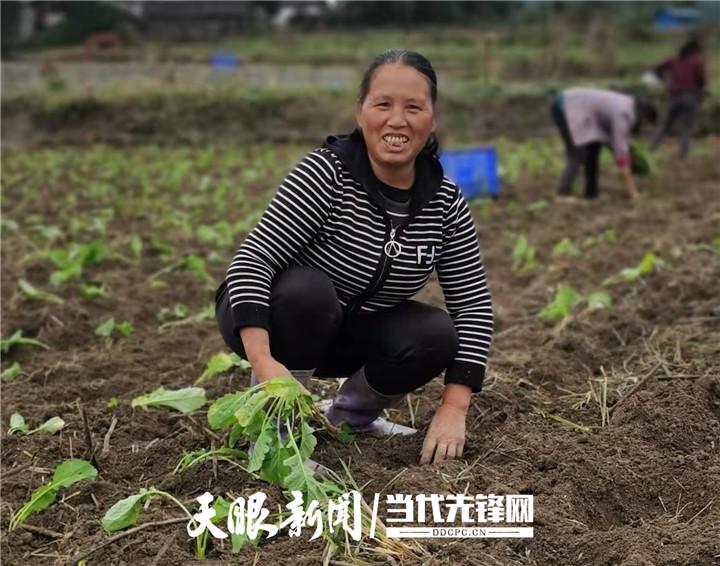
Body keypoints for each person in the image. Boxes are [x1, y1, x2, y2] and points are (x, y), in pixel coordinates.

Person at [215, 49, 493, 465]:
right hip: (275, 320)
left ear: (431, 120)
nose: (397, 120)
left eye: (413, 107)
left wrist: (454, 408)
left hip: (349, 334)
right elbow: (253, 260)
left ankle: (351, 418)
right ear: (361, 114)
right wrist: (264, 361)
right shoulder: (326, 173)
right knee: (307, 291)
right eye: (383, 104)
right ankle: (275, 433)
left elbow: (472, 306)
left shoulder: (445, 203)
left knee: (436, 332)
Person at [550, 87, 657, 200]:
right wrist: (632, 191)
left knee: (594, 149)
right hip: (565, 106)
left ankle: (591, 193)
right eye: (646, 124)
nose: (643, 127)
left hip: (581, 109)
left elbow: (615, 140)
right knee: (577, 153)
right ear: (644, 116)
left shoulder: (628, 106)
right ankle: (562, 193)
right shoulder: (624, 114)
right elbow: (621, 154)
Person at [650, 38, 707, 158]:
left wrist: (666, 81)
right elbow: (702, 81)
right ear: (695, 51)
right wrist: (700, 91)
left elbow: (656, 69)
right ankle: (682, 154)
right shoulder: (697, 62)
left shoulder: (674, 60)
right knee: (687, 127)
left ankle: (651, 149)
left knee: (664, 125)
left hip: (673, 96)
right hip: (690, 97)